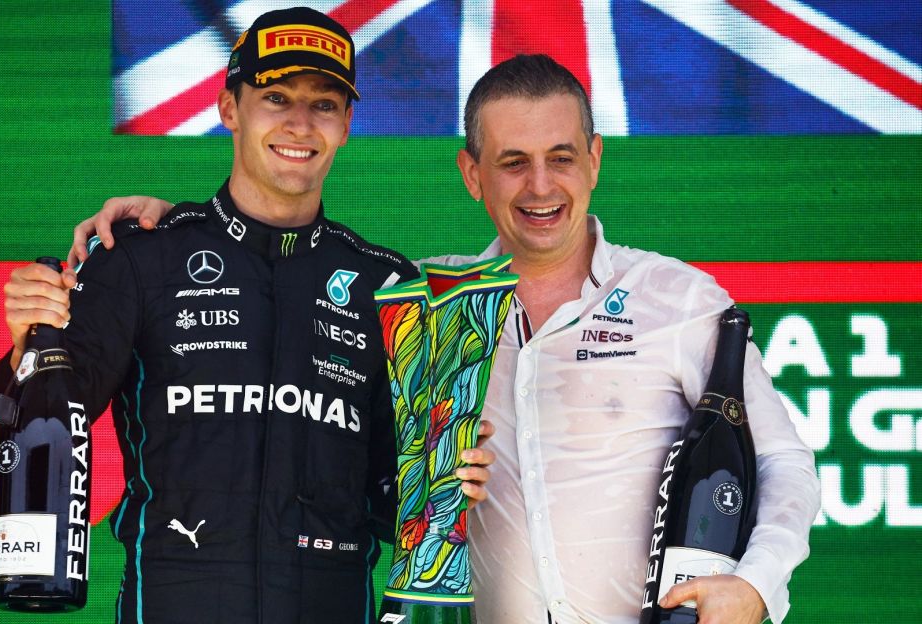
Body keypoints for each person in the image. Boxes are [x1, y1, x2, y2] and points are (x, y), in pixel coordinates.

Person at [69, 55, 820, 624]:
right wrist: (177, 228)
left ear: (595, 159)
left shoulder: (679, 299)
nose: (540, 188)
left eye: (562, 157)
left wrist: (756, 585)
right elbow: (279, 279)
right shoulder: (418, 302)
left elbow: (782, 458)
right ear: (471, 174)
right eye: (512, 163)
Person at [0, 8, 495, 624]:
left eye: (324, 104)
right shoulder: (141, 257)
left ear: (347, 123)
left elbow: (395, 499)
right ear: (229, 109)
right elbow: (2, 448)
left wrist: (450, 466)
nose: (300, 123)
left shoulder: (386, 286)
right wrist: (21, 354)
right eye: (275, 97)